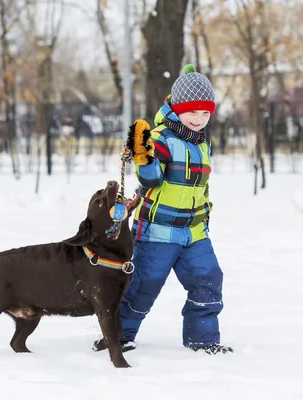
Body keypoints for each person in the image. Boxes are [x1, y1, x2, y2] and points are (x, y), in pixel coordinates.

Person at [94, 64, 232, 355]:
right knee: (145, 285)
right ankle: (117, 335)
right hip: (157, 230)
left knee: (208, 279)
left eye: (205, 113)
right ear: (177, 108)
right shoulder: (161, 138)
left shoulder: (202, 143)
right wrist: (143, 158)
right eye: (193, 112)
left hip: (194, 231)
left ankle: (203, 339)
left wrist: (204, 215)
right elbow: (152, 178)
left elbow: (199, 187)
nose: (199, 119)